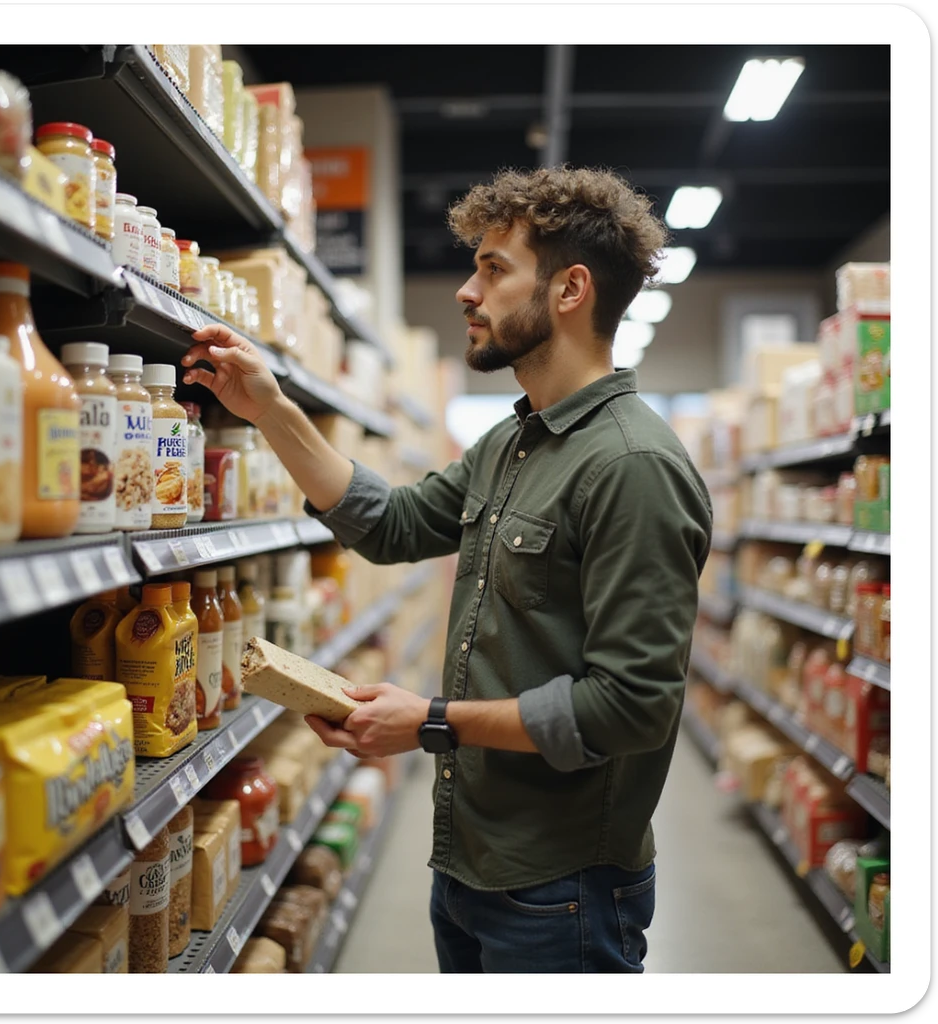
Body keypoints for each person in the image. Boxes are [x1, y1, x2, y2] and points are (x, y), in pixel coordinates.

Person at [181, 166, 713, 974]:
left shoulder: (633, 464)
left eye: (495, 269)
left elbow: (631, 706)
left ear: (570, 290)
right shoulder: (510, 443)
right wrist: (269, 410)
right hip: (466, 856)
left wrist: (433, 721)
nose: (468, 290)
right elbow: (392, 525)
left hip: (560, 885)